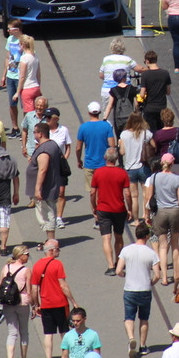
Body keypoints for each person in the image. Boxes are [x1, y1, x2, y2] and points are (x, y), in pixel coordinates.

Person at [31, 238, 78, 358]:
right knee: (64, 332)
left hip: (46, 304)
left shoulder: (37, 266)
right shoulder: (57, 264)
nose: (59, 251)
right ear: (51, 250)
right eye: (57, 249)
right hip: (60, 303)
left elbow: (34, 289)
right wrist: (73, 301)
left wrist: (36, 304)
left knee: (48, 334)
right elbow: (63, 285)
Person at [118, 221, 159, 358]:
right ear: (147, 236)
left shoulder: (126, 250)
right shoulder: (151, 253)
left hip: (130, 289)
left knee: (129, 317)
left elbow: (118, 270)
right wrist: (151, 282)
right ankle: (142, 345)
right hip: (145, 290)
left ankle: (131, 338)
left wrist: (125, 275)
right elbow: (157, 275)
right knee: (144, 318)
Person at [91, 147, 133, 276]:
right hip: (119, 208)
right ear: (116, 159)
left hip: (103, 209)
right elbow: (127, 194)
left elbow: (92, 192)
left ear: (105, 158)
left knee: (106, 238)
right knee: (119, 236)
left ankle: (110, 266)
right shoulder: (122, 173)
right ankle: (118, 262)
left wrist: (94, 208)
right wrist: (130, 209)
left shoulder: (98, 173)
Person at [145, 152, 179, 282]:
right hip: (174, 212)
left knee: (162, 246)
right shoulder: (177, 179)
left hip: (160, 212)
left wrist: (147, 214)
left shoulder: (154, 177)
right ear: (172, 163)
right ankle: (177, 274)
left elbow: (149, 197)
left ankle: (164, 277)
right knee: (175, 245)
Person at [0, 246, 32, 358]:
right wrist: (34, 304)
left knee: (12, 332)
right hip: (22, 302)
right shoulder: (26, 270)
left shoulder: (6, 267)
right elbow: (29, 290)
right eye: (27, 254)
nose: (28, 256)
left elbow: (0, 284)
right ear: (21, 255)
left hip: (8, 303)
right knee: (24, 331)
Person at [27, 122, 64, 247]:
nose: (33, 134)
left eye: (34, 132)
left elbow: (42, 170)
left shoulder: (45, 150)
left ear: (40, 134)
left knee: (47, 214)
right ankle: (50, 239)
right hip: (51, 185)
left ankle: (51, 241)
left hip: (46, 188)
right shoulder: (51, 145)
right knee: (48, 213)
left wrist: (37, 189)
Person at [76, 100, 116, 190]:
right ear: (99, 112)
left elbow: (78, 148)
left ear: (89, 113)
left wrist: (79, 160)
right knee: (104, 190)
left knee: (92, 191)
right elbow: (112, 145)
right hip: (104, 164)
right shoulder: (106, 126)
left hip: (89, 164)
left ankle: (94, 204)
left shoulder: (83, 127)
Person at [118, 111, 152, 211]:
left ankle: (136, 220)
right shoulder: (146, 133)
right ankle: (146, 216)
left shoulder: (124, 134)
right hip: (143, 167)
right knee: (146, 194)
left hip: (130, 168)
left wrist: (120, 144)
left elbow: (122, 152)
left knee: (134, 196)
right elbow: (154, 146)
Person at [98, 37, 144, 110]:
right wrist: (150, 68)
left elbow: (101, 75)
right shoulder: (127, 59)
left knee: (108, 115)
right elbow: (140, 69)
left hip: (107, 90)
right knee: (126, 113)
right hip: (124, 90)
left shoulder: (106, 59)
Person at [138, 50, 171, 132]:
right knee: (162, 131)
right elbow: (168, 92)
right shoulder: (165, 73)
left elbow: (142, 94)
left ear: (147, 61)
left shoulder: (145, 75)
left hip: (150, 108)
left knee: (152, 132)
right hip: (162, 107)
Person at [2, 19, 25, 133]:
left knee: (24, 105)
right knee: (12, 104)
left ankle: (26, 128)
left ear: (16, 29)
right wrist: (4, 75)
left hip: (21, 77)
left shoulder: (24, 40)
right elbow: (8, 57)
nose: (8, 30)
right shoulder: (10, 39)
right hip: (11, 76)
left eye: (9, 28)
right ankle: (15, 127)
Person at [104, 69, 138, 137]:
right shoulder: (132, 88)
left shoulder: (113, 90)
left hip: (118, 119)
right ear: (125, 77)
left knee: (120, 136)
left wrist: (105, 118)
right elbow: (136, 104)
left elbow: (110, 106)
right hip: (130, 117)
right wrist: (137, 113)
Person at [14, 34, 42, 114]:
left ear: (22, 45)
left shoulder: (24, 58)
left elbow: (22, 77)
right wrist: (39, 87)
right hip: (35, 87)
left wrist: (17, 92)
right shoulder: (35, 56)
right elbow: (38, 74)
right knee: (37, 113)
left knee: (28, 114)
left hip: (27, 88)